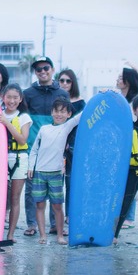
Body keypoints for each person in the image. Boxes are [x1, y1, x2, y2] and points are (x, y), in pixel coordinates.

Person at [22, 56, 69, 237]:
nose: (42, 71)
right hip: (33, 147)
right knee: (31, 187)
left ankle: (54, 225)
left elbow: (68, 121)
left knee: (56, 188)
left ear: (52, 69)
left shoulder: (62, 94)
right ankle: (31, 224)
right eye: (38, 69)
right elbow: (23, 119)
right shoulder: (28, 93)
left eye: (46, 68)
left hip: (56, 149)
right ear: (35, 72)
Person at [28, 97, 82, 245]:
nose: (59, 114)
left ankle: (60, 236)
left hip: (56, 173)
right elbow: (34, 150)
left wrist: (101, 96)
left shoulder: (66, 127)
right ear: (51, 112)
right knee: (39, 205)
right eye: (56, 111)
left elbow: (81, 116)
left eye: (63, 112)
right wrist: (30, 167)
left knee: (57, 205)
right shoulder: (44, 129)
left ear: (68, 114)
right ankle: (42, 236)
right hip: (39, 172)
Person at [0, 83, 32, 243]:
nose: (11, 100)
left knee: (15, 198)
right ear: (3, 97)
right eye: (8, 97)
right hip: (0, 160)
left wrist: (7, 122)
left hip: (19, 159)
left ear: (20, 99)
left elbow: (22, 139)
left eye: (15, 97)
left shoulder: (24, 117)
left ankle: (10, 235)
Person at [113, 94, 138, 245]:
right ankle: (114, 235)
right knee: (125, 202)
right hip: (133, 170)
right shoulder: (129, 127)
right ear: (134, 110)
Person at [57, 69, 86, 224]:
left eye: (68, 81)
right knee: (55, 184)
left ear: (73, 82)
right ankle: (56, 218)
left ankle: (69, 215)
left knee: (71, 183)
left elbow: (84, 126)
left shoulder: (81, 103)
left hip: (74, 148)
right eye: (62, 80)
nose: (65, 83)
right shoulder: (56, 100)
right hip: (56, 146)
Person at [116, 67, 138, 228]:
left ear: (127, 82)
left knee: (131, 180)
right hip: (120, 146)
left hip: (133, 147)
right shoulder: (118, 98)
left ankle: (129, 217)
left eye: (120, 77)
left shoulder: (134, 102)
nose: (117, 79)